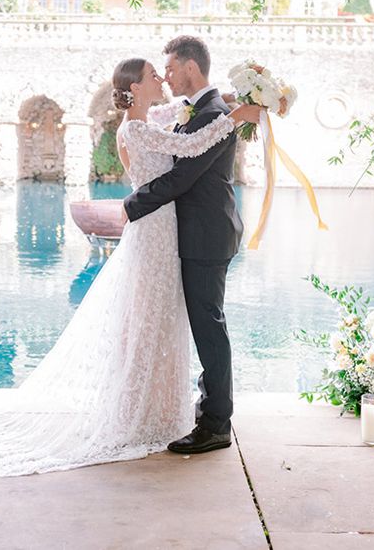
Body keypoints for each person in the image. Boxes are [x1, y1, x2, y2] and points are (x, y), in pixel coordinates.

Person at [0, 54, 260, 476]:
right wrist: (235, 117)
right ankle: (142, 412)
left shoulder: (153, 114)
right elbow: (189, 145)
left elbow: (181, 112)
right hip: (155, 229)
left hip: (169, 229)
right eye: (155, 75)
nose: (162, 77)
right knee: (148, 318)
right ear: (135, 88)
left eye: (166, 70)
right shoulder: (137, 127)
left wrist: (228, 99)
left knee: (159, 320)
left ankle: (158, 408)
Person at [124, 35, 244, 455]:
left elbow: (182, 178)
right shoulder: (199, 110)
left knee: (209, 328)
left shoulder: (213, 113)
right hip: (196, 233)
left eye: (171, 68)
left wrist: (130, 207)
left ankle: (216, 425)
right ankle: (208, 407)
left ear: (191, 67)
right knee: (204, 325)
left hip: (206, 234)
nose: (168, 77)